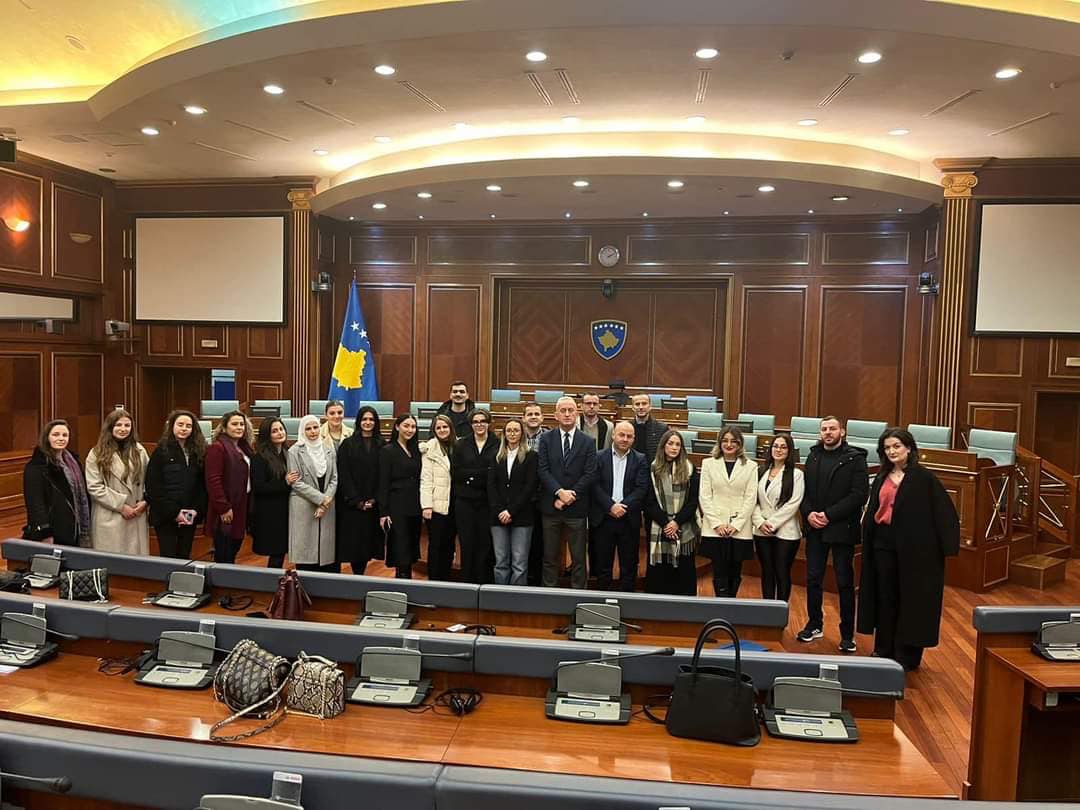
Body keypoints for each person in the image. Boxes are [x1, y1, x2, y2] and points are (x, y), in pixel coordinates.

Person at [858, 428, 960, 671]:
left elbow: (944, 514)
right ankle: (884, 650)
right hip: (883, 544)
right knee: (885, 598)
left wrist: (946, 548)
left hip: (915, 550)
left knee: (911, 601)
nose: (892, 451)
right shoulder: (882, 477)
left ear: (909, 448)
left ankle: (907, 655)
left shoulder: (924, 478)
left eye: (896, 446)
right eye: (887, 448)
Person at [798, 416, 869, 653]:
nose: (828, 432)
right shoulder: (813, 455)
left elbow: (859, 495)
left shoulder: (855, 459)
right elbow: (804, 491)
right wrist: (808, 514)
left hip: (841, 529)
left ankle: (847, 634)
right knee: (813, 578)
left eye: (833, 429)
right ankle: (814, 624)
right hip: (815, 528)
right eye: (824, 429)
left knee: (844, 582)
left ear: (843, 432)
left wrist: (828, 515)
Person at [537, 396, 597, 588]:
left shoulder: (588, 441)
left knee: (579, 557)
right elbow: (543, 470)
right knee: (549, 556)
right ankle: (549, 595)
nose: (567, 414)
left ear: (577, 413)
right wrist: (559, 492)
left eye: (571, 410)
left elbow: (590, 474)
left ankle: (579, 594)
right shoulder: (546, 439)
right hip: (551, 507)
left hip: (576, 508)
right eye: (563, 410)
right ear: (556, 415)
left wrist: (569, 496)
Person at [590, 420, 648, 591]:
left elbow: (641, 488)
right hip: (604, 518)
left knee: (628, 566)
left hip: (628, 519)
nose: (625, 439)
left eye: (629, 436)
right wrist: (610, 506)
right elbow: (594, 484)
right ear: (614, 435)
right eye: (621, 435)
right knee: (602, 565)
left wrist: (622, 506)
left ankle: (627, 603)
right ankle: (600, 602)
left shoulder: (640, 459)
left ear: (633, 439)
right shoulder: (599, 457)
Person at [698, 426, 757, 598]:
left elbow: (750, 498)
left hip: (739, 528)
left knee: (735, 570)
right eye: (725, 440)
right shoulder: (708, 463)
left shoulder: (751, 466)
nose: (729, 444)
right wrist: (717, 523)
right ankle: (721, 604)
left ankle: (732, 603)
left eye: (733, 441)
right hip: (715, 527)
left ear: (740, 444)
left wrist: (736, 525)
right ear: (720, 442)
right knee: (719, 569)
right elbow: (705, 496)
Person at [643, 429, 701, 596]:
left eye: (678, 444)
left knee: (684, 571)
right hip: (659, 527)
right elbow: (649, 501)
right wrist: (666, 523)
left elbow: (692, 501)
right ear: (663, 446)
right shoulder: (652, 469)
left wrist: (676, 523)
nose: (674, 447)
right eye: (670, 443)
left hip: (683, 527)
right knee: (660, 573)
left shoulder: (690, 469)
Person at [85, 408, 150, 555]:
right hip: (111, 516)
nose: (123, 429)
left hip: (136, 514)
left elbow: (150, 480)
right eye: (118, 425)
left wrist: (145, 501)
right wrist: (121, 506)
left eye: (127, 425)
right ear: (110, 427)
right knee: (112, 564)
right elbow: (95, 487)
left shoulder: (140, 451)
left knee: (136, 566)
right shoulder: (96, 454)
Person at [145, 409, 208, 559]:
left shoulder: (198, 452)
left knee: (184, 556)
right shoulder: (161, 451)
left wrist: (195, 510)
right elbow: (153, 487)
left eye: (188, 426)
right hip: (166, 517)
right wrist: (175, 513)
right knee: (168, 557)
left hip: (189, 515)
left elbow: (202, 486)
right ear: (172, 426)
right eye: (180, 424)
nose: (184, 428)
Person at [752, 434, 805, 601]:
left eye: (783, 447)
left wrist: (772, 523)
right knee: (767, 571)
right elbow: (752, 500)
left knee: (781, 571)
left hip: (786, 531)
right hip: (762, 530)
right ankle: (767, 612)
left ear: (789, 451)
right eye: (775, 446)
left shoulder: (796, 474)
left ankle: (781, 611)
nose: (778, 450)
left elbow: (793, 503)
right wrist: (760, 522)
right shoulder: (760, 470)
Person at [22, 419, 90, 547]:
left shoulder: (73, 462)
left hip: (74, 527)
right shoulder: (36, 466)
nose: (61, 438)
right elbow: (35, 503)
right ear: (47, 437)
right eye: (55, 435)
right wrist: (45, 532)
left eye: (65, 435)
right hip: (53, 530)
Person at [488, 418, 539, 585]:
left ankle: (516, 600)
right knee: (501, 561)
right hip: (498, 516)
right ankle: (500, 596)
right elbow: (491, 486)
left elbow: (530, 487)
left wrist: (511, 511)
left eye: (516, 430)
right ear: (504, 434)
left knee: (519, 563)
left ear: (522, 433)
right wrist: (500, 510)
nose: (512, 433)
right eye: (509, 430)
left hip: (522, 516)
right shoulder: (496, 456)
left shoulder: (531, 456)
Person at [453, 407, 499, 583]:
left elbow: (496, 472)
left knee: (485, 544)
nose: (479, 425)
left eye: (483, 421)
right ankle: (467, 582)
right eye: (475, 422)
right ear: (471, 424)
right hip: (465, 502)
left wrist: (471, 476)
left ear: (488, 424)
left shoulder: (497, 443)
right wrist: (482, 474)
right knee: (467, 542)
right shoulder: (461, 444)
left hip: (488, 502)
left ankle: (484, 582)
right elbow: (456, 473)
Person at [336, 405, 384, 575]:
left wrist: (374, 499)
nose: (368, 422)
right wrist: (357, 501)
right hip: (352, 505)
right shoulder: (347, 444)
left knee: (367, 546)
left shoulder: (382, 444)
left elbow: (384, 475)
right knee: (354, 547)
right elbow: (344, 474)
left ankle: (361, 578)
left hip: (373, 505)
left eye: (371, 419)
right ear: (359, 421)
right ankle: (355, 579)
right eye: (364, 419)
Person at [288, 414, 338, 572]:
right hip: (304, 504)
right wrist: (322, 499)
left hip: (327, 506)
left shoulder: (329, 450)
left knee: (325, 552)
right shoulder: (294, 451)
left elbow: (334, 479)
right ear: (302, 431)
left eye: (315, 427)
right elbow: (296, 482)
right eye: (308, 428)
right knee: (306, 553)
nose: (313, 431)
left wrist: (325, 503)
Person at [204, 410, 254, 564]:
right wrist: (223, 507)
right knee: (224, 553)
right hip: (226, 508)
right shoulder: (217, 448)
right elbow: (213, 480)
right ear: (224, 427)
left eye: (241, 424)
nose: (239, 427)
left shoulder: (245, 448)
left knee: (233, 549)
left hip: (241, 505)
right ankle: (221, 586)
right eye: (234, 424)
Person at [378, 414, 422, 578]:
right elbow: (383, 483)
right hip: (396, 505)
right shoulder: (387, 451)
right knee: (400, 547)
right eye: (406, 426)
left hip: (415, 505)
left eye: (413, 426)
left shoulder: (416, 450)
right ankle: (401, 583)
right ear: (397, 427)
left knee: (410, 548)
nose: (410, 430)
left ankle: (408, 581)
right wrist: (383, 512)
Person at [250, 417, 296, 568]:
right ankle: (271, 585)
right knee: (276, 554)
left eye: (281, 429)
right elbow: (259, 487)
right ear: (266, 435)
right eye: (274, 431)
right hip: (269, 513)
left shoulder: (287, 453)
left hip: (285, 510)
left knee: (280, 553)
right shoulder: (259, 457)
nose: (279, 433)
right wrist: (285, 482)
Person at [420, 413, 456, 581]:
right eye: (438, 427)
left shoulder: (459, 446)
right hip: (436, 506)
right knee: (436, 545)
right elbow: (425, 479)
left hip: (455, 505)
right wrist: (426, 505)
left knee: (449, 545)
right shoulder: (429, 449)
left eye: (445, 427)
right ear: (434, 430)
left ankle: (446, 580)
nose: (442, 430)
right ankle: (434, 581)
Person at [522, 401, 548, 586]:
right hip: (520, 499)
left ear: (542, 417)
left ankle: (537, 581)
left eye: (536, 414)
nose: (533, 417)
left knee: (540, 541)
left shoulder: (549, 438)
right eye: (529, 414)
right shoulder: (514, 436)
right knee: (522, 542)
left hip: (542, 497)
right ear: (524, 418)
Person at [630, 394, 667, 465]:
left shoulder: (662, 428)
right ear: (633, 408)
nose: (641, 407)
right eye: (637, 404)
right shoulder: (627, 427)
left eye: (644, 404)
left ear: (650, 406)